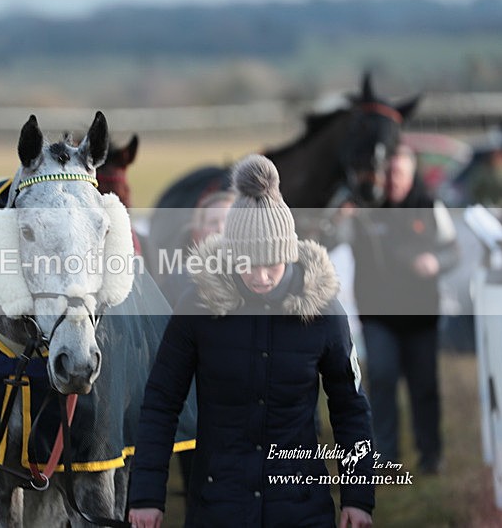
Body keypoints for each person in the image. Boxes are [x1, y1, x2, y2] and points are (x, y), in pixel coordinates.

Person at [128, 155, 375, 528]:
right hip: (218, 504)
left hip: (300, 506)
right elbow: (161, 403)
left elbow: (350, 407)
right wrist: (146, 495)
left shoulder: (324, 313)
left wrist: (358, 497)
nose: (259, 276)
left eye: (271, 264)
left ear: (288, 254)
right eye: (246, 263)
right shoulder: (197, 307)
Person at [344, 144, 458, 474]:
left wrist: (435, 261)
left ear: (411, 173)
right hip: (378, 316)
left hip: (421, 317)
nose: (393, 180)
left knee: (424, 385)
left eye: (400, 173)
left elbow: (453, 252)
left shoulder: (429, 205)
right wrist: (342, 217)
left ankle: (431, 455)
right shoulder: (365, 209)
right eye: (389, 173)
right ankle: (386, 455)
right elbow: (336, 238)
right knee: (381, 376)